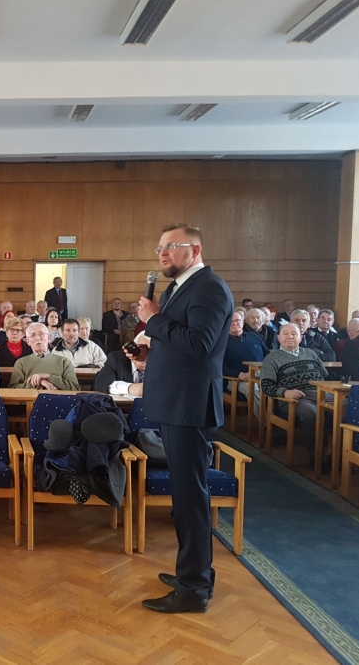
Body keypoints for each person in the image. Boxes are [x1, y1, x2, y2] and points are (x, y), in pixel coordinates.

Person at [136, 223, 233, 614]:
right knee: (184, 496)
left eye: (171, 246)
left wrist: (154, 319)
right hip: (175, 402)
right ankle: (194, 573)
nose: (162, 253)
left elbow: (201, 344)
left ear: (194, 250)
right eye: (159, 247)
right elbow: (181, 343)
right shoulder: (177, 288)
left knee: (191, 497)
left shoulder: (208, 287)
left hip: (189, 406)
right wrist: (150, 354)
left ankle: (193, 588)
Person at [260, 323, 330, 463]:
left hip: (322, 394)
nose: (290, 336)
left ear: (300, 338)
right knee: (311, 413)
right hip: (295, 398)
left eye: (294, 333)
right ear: (279, 338)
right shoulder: (272, 358)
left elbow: (326, 377)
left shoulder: (310, 353)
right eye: (285, 334)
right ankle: (318, 457)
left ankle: (337, 455)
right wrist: (285, 392)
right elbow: (266, 385)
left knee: (347, 409)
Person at [9, 322, 80, 391]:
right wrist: (40, 382)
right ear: (28, 341)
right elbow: (13, 389)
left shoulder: (64, 361)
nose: (37, 338)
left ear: (49, 337)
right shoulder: (21, 363)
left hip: (57, 398)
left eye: (41, 334)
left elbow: (75, 388)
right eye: (33, 335)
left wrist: (49, 377)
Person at [223, 311, 268, 411]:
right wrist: (239, 375)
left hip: (261, 374)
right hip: (237, 379)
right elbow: (219, 367)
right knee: (252, 388)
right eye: (231, 321)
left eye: (237, 321)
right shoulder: (222, 342)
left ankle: (281, 416)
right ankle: (264, 419)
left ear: (243, 323)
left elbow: (268, 356)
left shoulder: (254, 337)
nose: (235, 324)